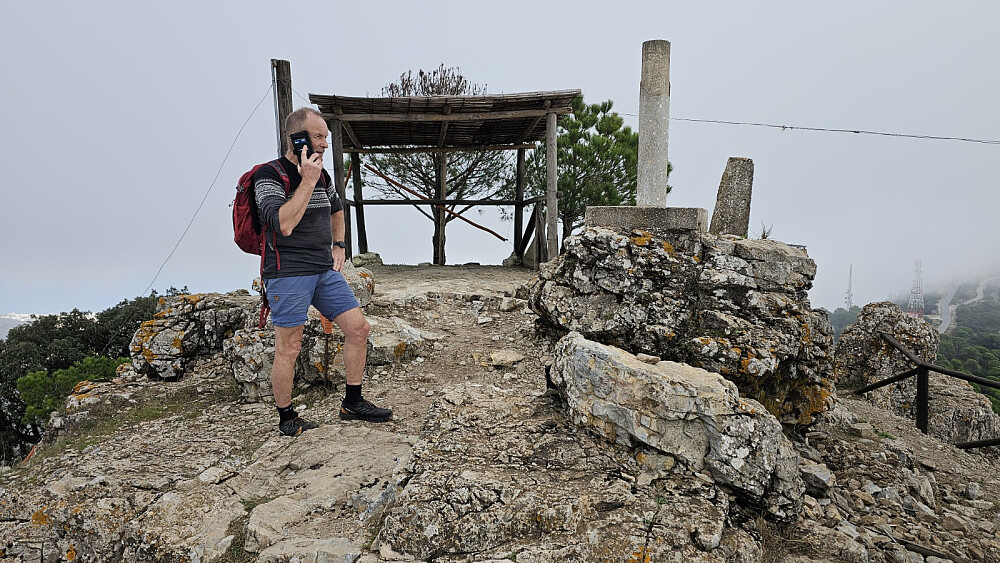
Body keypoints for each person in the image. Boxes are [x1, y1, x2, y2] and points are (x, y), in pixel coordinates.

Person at [254, 107, 392, 436]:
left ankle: (352, 402)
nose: (325, 145)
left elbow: (337, 210)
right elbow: (284, 223)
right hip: (287, 272)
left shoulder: (323, 176)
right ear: (296, 137)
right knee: (289, 345)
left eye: (326, 139)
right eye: (318, 137)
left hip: (323, 269)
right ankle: (287, 418)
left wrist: (340, 245)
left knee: (358, 328)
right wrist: (307, 180)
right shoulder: (269, 175)